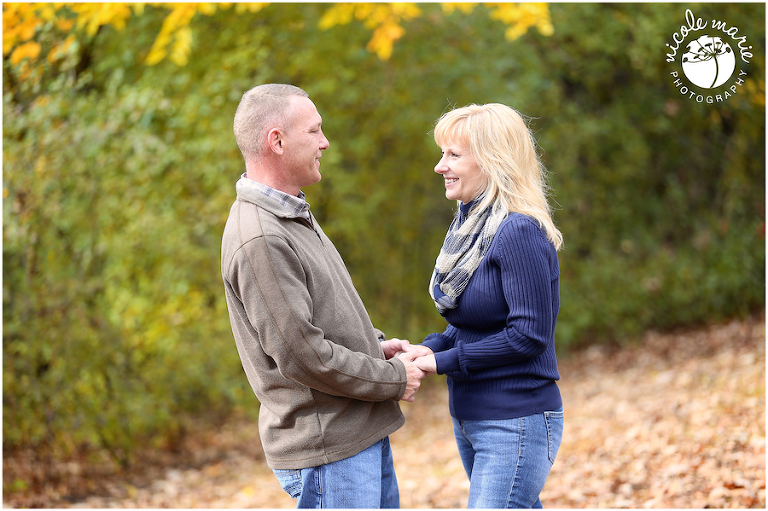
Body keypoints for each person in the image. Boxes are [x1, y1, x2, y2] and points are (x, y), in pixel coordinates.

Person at [221, 84, 425, 509]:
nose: (325, 142)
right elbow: (302, 356)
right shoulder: (261, 236)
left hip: (354, 440)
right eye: (314, 131)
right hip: (329, 451)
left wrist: (376, 348)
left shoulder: (291, 212)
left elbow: (318, 320)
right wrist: (393, 378)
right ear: (276, 141)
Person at [400, 103, 564, 508]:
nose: (441, 166)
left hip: (514, 418)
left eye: (454, 155)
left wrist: (444, 362)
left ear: (493, 160)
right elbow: (473, 322)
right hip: (472, 416)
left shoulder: (517, 231)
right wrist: (431, 348)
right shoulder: (471, 229)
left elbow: (527, 337)